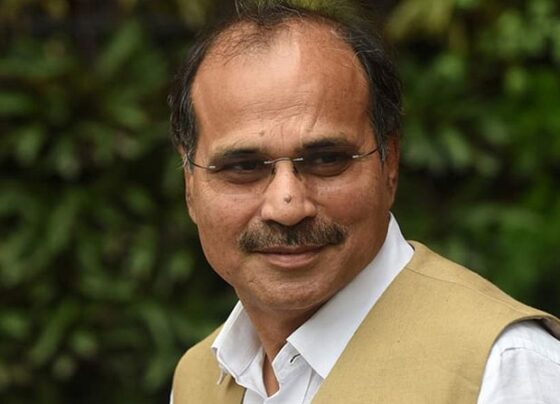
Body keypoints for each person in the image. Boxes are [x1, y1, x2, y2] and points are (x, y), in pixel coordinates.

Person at [168, 1, 560, 402]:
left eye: (326, 160)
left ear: (390, 165)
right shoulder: (197, 379)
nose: (286, 207)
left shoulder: (503, 369)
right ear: (190, 185)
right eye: (243, 166)